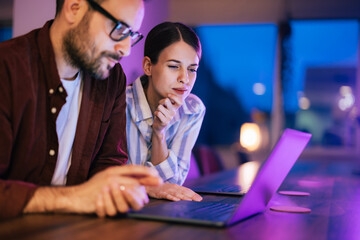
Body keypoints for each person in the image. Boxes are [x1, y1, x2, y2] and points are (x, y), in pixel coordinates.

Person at [0, 0, 163, 219]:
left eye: (131, 35)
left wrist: (124, 189)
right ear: (74, 9)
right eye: (120, 29)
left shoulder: (112, 79)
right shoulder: (7, 68)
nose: (125, 49)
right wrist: (73, 198)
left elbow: (109, 163)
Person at [126, 22, 205, 201]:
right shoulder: (119, 103)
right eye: (173, 66)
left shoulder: (193, 109)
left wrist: (159, 133)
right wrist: (148, 186)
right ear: (148, 66)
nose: (184, 78)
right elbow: (111, 178)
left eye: (192, 69)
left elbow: (171, 184)